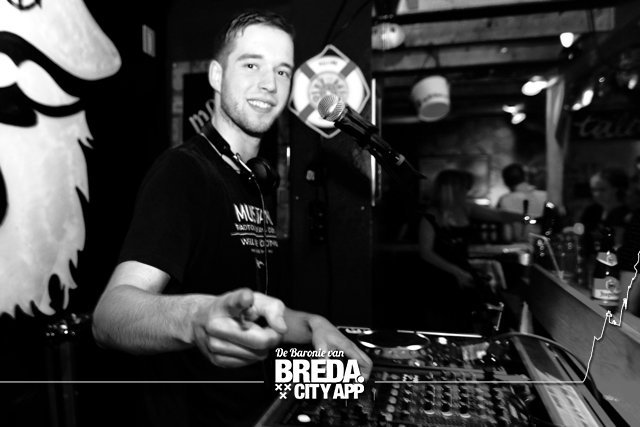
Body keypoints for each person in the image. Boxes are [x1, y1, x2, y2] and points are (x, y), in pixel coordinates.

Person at [92, 10, 371, 427]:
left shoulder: (253, 180)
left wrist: (314, 325)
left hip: (258, 410)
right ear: (217, 76)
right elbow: (108, 317)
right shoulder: (183, 172)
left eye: (281, 70)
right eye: (251, 65)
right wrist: (197, 319)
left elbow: (253, 313)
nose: (270, 83)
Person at [416, 169, 522, 332]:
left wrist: (526, 217)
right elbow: (426, 252)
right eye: (464, 187)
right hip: (439, 276)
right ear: (453, 189)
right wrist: (456, 271)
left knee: (477, 318)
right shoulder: (431, 215)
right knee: (445, 323)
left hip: (461, 271)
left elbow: (499, 215)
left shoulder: (466, 208)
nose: (467, 191)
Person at [579, 167, 630, 258]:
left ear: (615, 188)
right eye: (593, 190)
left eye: (602, 189)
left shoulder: (626, 214)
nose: (596, 194)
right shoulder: (591, 211)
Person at [497, 163, 548, 241]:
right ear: (525, 177)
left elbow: (506, 234)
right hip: (542, 243)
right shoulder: (545, 196)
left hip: (515, 244)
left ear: (505, 182)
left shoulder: (504, 200)